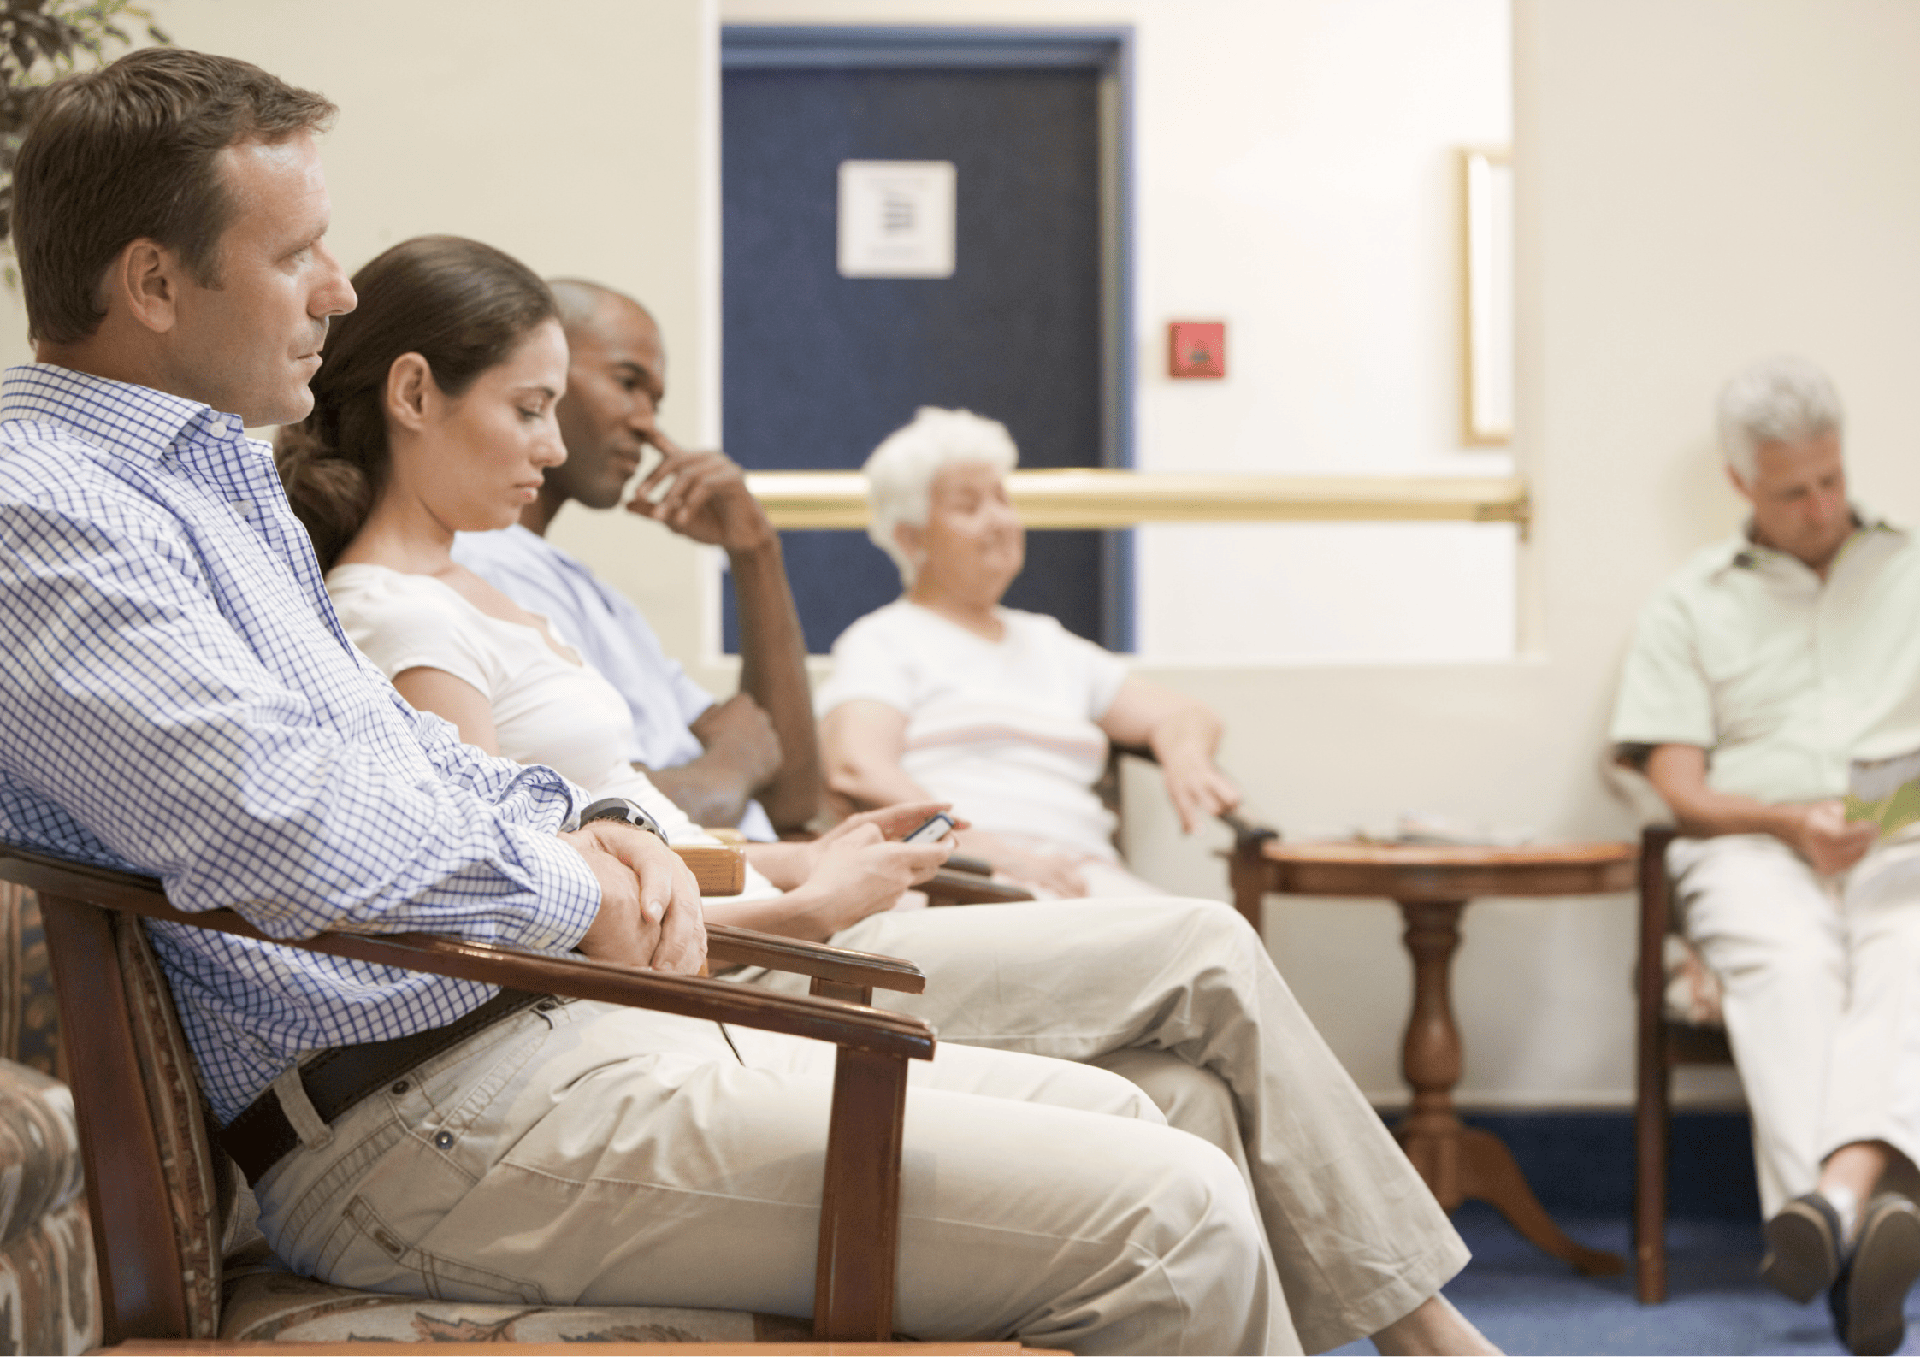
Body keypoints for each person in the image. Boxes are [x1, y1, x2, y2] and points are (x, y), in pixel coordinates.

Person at [0, 49, 1302, 1354]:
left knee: (1157, 1123)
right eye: (299, 254)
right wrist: (593, 889)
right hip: (416, 1120)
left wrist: (604, 838)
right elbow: (286, 821)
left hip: (522, 1039)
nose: (338, 288)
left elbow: (404, 764)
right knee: (1176, 1217)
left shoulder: (208, 480)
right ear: (154, 283)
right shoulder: (44, 512)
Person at [286, 245, 1498, 1357]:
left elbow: (614, 840)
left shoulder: (495, 593)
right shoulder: (398, 611)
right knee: (1200, 963)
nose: (552, 448)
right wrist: (806, 905)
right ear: (412, 396)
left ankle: (1396, 1321)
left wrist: (796, 857)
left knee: (1171, 1096)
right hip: (616, 1016)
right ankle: (1421, 1330)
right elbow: (515, 922)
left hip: (688, 957)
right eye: (529, 409)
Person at [1611, 354, 1920, 1356]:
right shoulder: (1687, 604)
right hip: (1751, 847)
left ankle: (1829, 1211)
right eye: (1795, 491)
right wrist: (1791, 822)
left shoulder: (1911, 566)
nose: (1824, 505)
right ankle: (1866, 1227)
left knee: (1910, 954)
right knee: (1787, 969)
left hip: (1900, 840)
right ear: (1741, 482)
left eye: (1832, 478)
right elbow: (1682, 787)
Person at [817, 406, 1242, 899]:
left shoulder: (1049, 644)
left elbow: (1185, 713)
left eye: (1002, 498)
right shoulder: (886, 639)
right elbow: (856, 765)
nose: (998, 520)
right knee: (1209, 938)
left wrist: (1185, 754)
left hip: (1079, 875)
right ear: (912, 539)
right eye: (969, 505)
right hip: (963, 880)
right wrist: (989, 850)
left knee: (1215, 934)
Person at [450, 280, 815, 840]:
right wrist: (729, 768)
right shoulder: (477, 566)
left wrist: (755, 552)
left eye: (657, 401)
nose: (648, 424)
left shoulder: (588, 590)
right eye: (628, 383)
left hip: (774, 885)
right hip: (711, 912)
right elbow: (584, 812)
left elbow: (791, 795)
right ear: (542, 372)